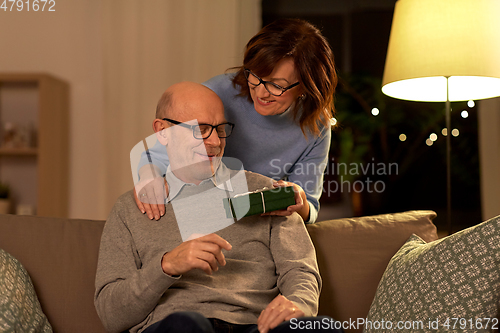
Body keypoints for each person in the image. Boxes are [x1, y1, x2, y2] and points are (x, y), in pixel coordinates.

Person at [95, 82, 342, 333]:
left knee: (324, 328)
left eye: (220, 129)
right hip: (178, 327)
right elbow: (111, 315)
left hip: (255, 327)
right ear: (163, 131)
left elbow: (300, 270)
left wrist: (298, 304)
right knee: (186, 325)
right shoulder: (130, 209)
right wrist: (166, 265)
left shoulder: (268, 194)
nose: (214, 142)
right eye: (200, 129)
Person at [134, 18, 337, 224]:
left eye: (277, 85)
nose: (260, 92)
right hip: (202, 212)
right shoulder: (216, 93)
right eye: (254, 75)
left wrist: (299, 202)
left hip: (261, 222)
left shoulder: (316, 127)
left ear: (305, 86)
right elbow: (157, 153)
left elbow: (310, 208)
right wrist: (149, 175)